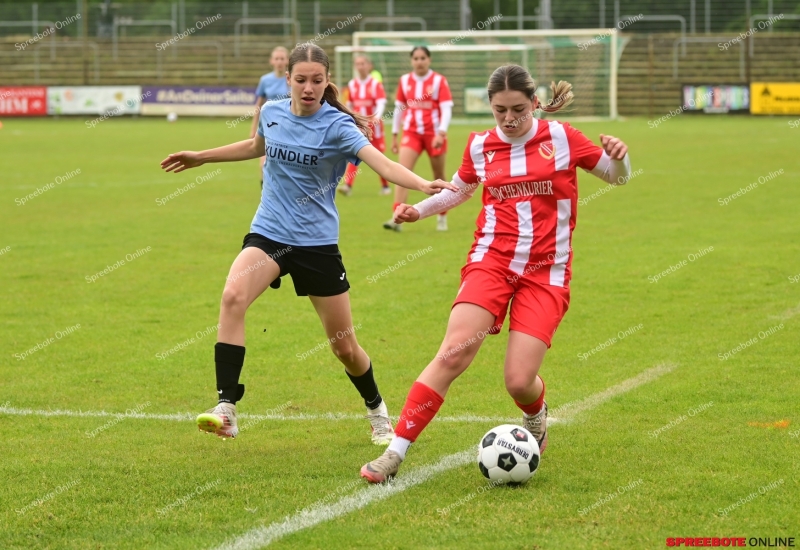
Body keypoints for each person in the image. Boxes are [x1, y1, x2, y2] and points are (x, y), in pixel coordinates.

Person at [159, 43, 457, 444]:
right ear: (288, 80)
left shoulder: (337, 126)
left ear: (327, 82)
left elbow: (381, 162)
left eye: (317, 80)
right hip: (269, 233)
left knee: (345, 348)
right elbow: (254, 147)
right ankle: (226, 407)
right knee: (232, 296)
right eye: (301, 80)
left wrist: (422, 184)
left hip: (316, 245)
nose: (308, 87)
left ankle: (377, 411)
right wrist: (202, 156)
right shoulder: (271, 113)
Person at [360, 64, 632, 482]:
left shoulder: (562, 138)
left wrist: (622, 158)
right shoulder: (480, 145)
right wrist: (418, 210)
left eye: (518, 110)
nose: (509, 119)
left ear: (535, 103)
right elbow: (459, 189)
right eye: (500, 110)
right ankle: (394, 453)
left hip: (547, 273)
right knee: (452, 353)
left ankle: (536, 414)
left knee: (519, 381)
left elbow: (616, 179)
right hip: (492, 261)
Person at [384, 46, 453, 232]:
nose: (419, 61)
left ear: (429, 60)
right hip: (412, 133)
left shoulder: (439, 81)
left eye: (423, 58)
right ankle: (395, 217)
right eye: (416, 58)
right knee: (401, 174)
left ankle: (442, 216)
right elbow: (399, 108)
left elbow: (446, 108)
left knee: (439, 177)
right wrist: (395, 135)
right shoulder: (405, 81)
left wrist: (441, 132)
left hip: (434, 135)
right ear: (411, 61)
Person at [338, 55, 391, 196]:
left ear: (369, 66)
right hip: (359, 127)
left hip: (375, 129)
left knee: (379, 156)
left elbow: (381, 102)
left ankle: (385, 186)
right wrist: (349, 117)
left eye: (363, 63)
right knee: (355, 152)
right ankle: (348, 186)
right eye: (358, 64)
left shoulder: (375, 84)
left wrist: (376, 118)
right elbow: (349, 104)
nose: (360, 66)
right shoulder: (352, 84)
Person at [250, 46, 291, 187]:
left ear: (287, 61)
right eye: (277, 58)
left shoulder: (292, 80)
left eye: (282, 58)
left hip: (288, 126)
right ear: (271, 61)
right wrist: (253, 128)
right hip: (269, 125)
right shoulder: (265, 80)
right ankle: (265, 190)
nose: (279, 61)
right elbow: (258, 106)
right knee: (264, 162)